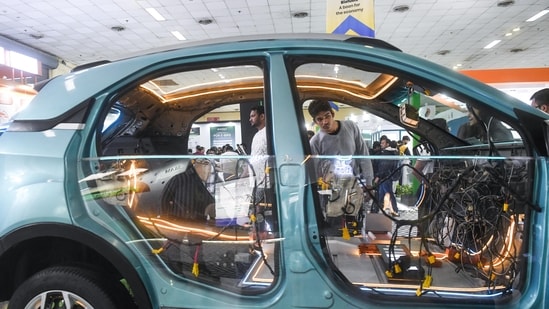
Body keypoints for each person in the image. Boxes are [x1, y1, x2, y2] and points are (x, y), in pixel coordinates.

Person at [308, 99, 374, 234]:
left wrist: (369, 182)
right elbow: (315, 172)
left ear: (332, 114)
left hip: (353, 187)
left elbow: (363, 155)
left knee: (354, 227)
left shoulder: (351, 127)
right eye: (319, 119)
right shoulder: (315, 142)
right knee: (335, 230)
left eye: (327, 116)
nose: (325, 122)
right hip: (332, 192)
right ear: (315, 122)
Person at [373, 136, 399, 216]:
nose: (381, 144)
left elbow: (383, 166)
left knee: (387, 193)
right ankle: (377, 209)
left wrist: (378, 176)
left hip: (385, 177)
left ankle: (394, 210)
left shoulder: (386, 153)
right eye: (381, 143)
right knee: (383, 193)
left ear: (388, 144)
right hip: (387, 176)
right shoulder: (392, 153)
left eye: (383, 143)